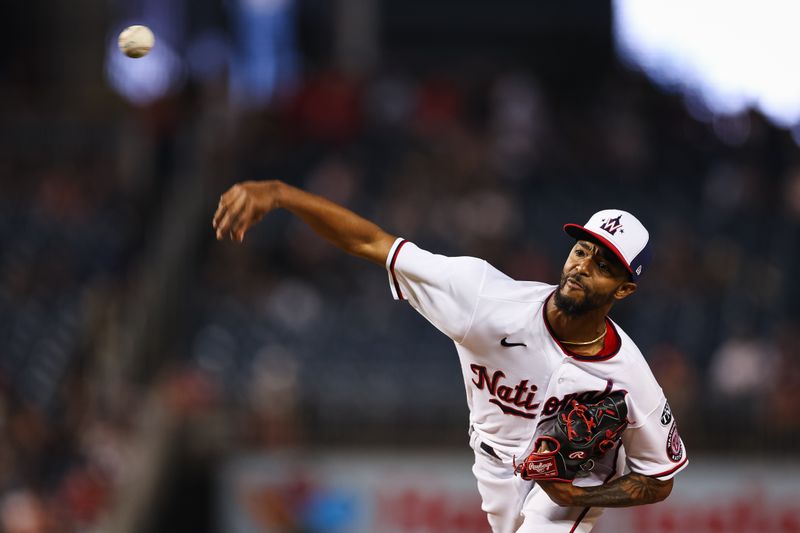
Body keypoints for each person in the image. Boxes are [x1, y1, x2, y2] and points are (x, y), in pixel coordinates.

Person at [212, 180, 688, 533]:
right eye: (583, 250)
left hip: (570, 483)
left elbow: (658, 479)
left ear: (624, 289)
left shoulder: (629, 378)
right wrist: (279, 194)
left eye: (604, 265)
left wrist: (585, 494)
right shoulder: (484, 298)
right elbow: (372, 243)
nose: (584, 266)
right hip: (493, 462)